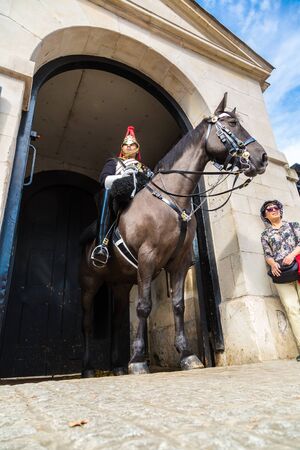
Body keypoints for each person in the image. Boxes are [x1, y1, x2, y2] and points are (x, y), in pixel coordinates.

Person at [91, 125, 143, 267]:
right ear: (122, 148)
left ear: (137, 148)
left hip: (138, 199)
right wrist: (122, 179)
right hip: (117, 196)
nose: (129, 147)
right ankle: (101, 245)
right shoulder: (114, 162)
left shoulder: (143, 167)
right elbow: (104, 180)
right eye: (126, 145)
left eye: (133, 145)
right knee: (107, 193)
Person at [260, 200, 300, 362]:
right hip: (281, 274)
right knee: (292, 309)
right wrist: (272, 264)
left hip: (298, 267)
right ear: (265, 215)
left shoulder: (293, 225)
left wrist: (291, 255)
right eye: (269, 209)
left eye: (276, 208)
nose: (274, 210)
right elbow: (267, 254)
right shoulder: (265, 234)